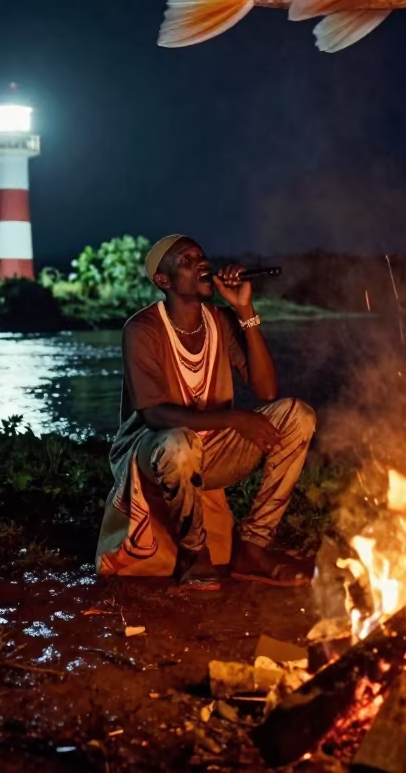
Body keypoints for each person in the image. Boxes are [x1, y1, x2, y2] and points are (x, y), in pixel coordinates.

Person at [95, 234, 316, 589]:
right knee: (179, 444)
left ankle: (254, 547)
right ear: (163, 281)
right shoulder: (142, 329)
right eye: (187, 260)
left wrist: (244, 311)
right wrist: (234, 418)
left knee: (297, 416)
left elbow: (267, 390)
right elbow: (154, 416)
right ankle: (194, 553)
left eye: (201, 256)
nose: (202, 263)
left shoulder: (221, 320)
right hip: (154, 455)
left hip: (211, 451)